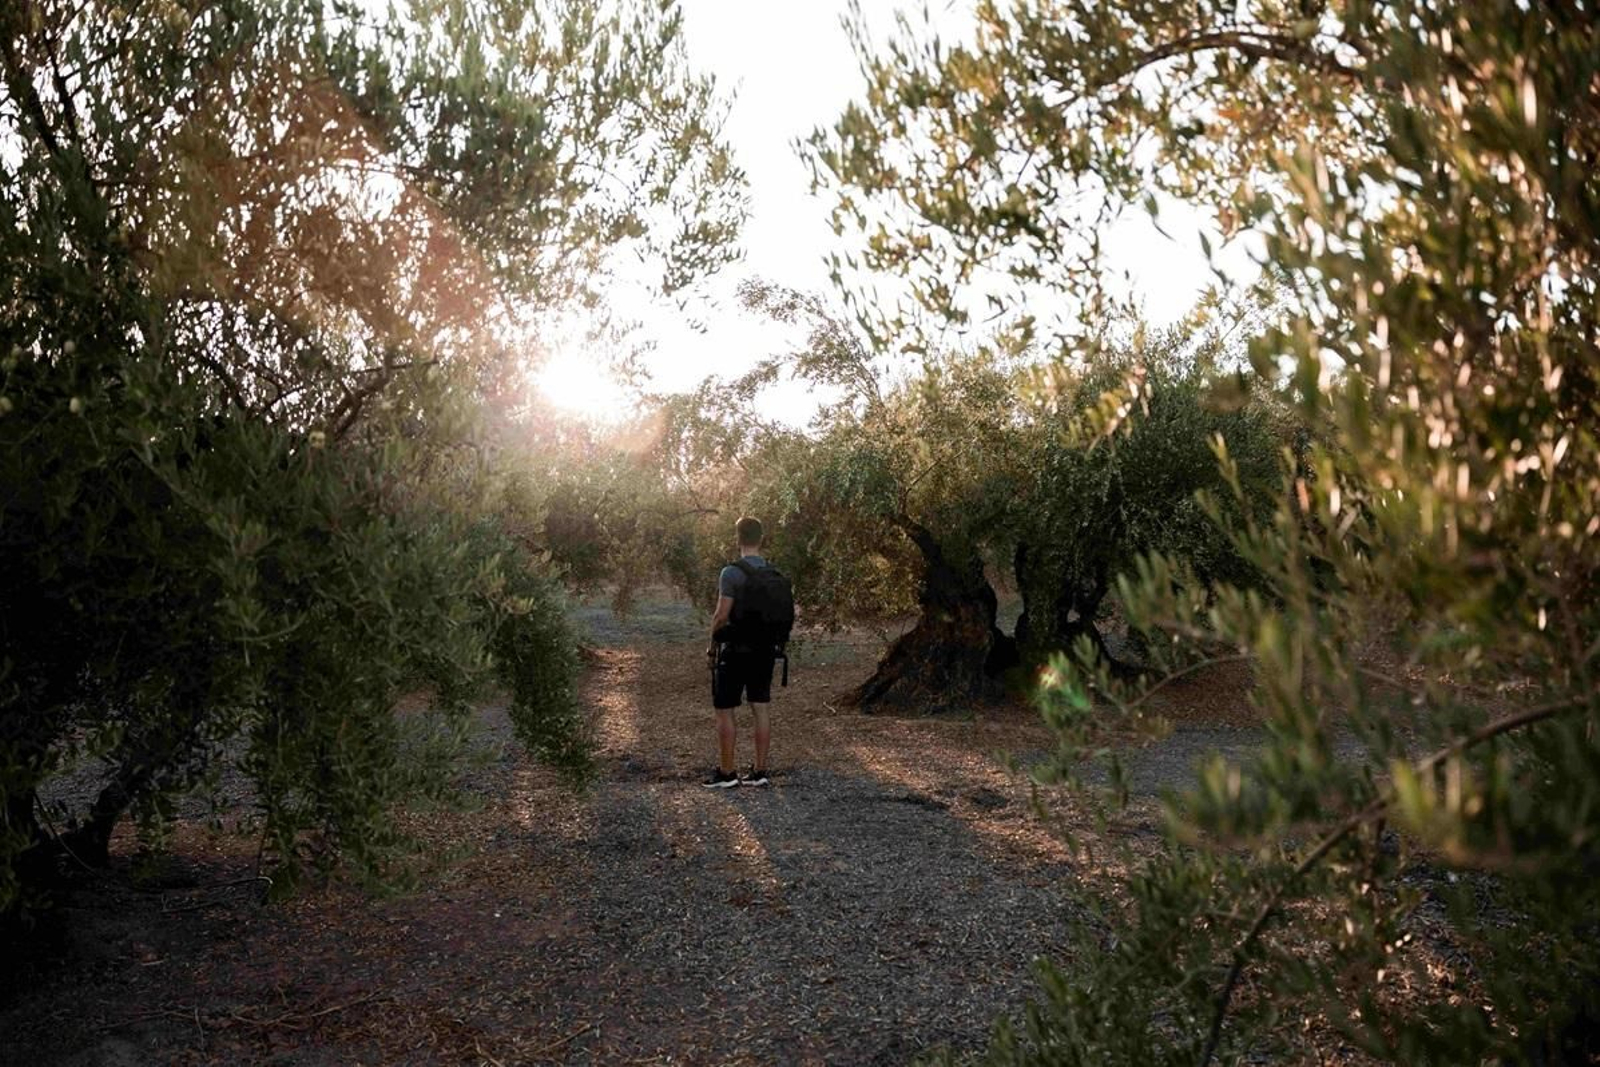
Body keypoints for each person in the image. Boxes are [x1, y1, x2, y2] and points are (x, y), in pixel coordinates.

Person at [703, 516, 788, 788]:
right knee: (760, 708)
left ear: (737, 539)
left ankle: (727, 773)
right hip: (765, 651)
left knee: (724, 709)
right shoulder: (774, 573)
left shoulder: (731, 573)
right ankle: (760, 772)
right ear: (761, 539)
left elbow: (721, 616)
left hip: (736, 651)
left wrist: (712, 648)